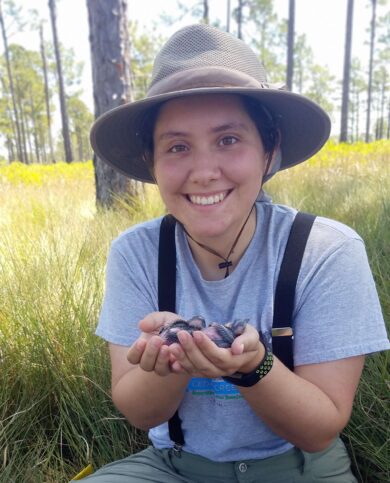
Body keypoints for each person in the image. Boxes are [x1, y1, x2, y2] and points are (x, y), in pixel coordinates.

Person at [82, 24, 389, 482]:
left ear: (269, 151)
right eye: (178, 147)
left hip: (299, 466)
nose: (204, 172)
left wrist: (254, 366)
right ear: (153, 162)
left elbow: (320, 429)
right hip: (176, 468)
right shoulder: (136, 253)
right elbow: (140, 413)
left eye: (229, 139)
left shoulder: (328, 250)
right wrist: (175, 361)